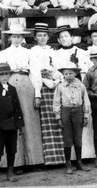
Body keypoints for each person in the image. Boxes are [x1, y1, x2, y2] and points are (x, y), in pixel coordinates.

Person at [0, 24, 44, 168]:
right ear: (9, 38)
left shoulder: (29, 53)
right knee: (12, 120)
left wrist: (37, 94)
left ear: (23, 38)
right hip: (9, 86)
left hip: (27, 86)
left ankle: (33, 160)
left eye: (19, 36)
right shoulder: (3, 54)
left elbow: (35, 73)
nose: (16, 39)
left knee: (28, 119)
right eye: (14, 36)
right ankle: (16, 163)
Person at [30, 23, 66, 166]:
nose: (42, 38)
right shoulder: (32, 51)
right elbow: (34, 71)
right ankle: (49, 159)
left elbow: (58, 69)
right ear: (35, 37)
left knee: (58, 118)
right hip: (42, 88)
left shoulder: (53, 51)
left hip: (55, 87)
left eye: (45, 35)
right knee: (46, 123)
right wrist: (45, 81)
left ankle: (62, 157)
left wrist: (57, 80)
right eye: (39, 35)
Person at [53, 62, 92, 174]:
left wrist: (85, 116)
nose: (68, 75)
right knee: (67, 138)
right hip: (65, 112)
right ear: (63, 75)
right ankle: (68, 163)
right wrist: (58, 117)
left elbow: (86, 101)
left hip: (78, 111)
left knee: (78, 137)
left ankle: (79, 162)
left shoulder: (81, 86)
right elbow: (56, 102)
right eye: (66, 73)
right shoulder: (60, 87)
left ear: (75, 73)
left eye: (70, 73)